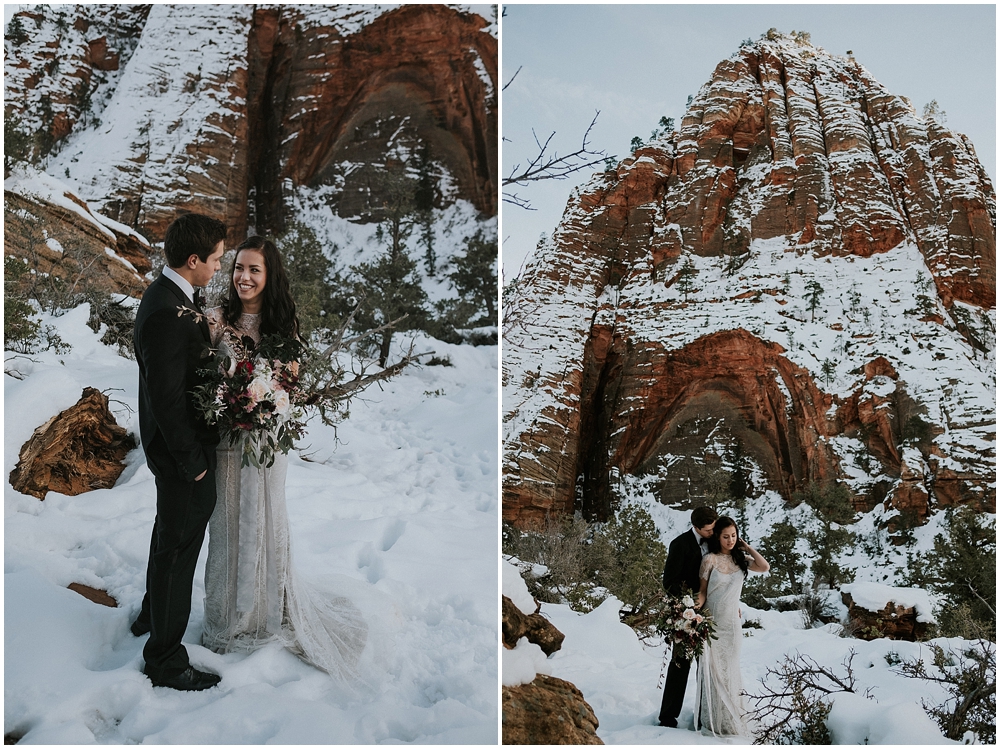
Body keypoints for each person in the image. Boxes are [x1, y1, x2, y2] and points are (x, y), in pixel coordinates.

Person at [200, 235, 368, 679]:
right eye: (238, 268)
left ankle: (264, 614)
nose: (244, 277)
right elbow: (200, 376)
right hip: (225, 443)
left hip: (266, 443)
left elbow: (287, 389)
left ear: (269, 276)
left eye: (255, 270)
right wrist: (229, 402)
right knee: (227, 525)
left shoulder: (282, 328)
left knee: (266, 521)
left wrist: (261, 405)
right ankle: (225, 622)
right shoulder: (214, 321)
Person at [131, 212, 227, 691]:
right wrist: (193, 467)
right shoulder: (168, 312)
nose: (217, 268)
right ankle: (166, 661)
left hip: (174, 452)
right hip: (180, 456)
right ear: (193, 260)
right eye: (214, 260)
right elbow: (167, 401)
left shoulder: (169, 294)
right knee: (177, 552)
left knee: (167, 538)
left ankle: (151, 614)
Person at [696, 516, 770, 737]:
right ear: (717, 537)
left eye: (733, 536)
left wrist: (746, 547)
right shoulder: (709, 560)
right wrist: (692, 612)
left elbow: (764, 566)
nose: (730, 540)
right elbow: (702, 591)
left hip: (732, 625)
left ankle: (732, 719)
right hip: (712, 622)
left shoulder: (741, 559)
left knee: (731, 670)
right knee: (713, 672)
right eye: (725, 536)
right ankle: (714, 720)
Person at [658, 506, 718, 728]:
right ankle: (668, 717)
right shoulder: (680, 544)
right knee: (680, 664)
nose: (713, 533)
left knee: (709, 665)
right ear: (696, 527)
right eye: (708, 530)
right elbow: (669, 582)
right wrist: (688, 604)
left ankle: (706, 715)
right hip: (687, 614)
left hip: (714, 612)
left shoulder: (716, 540)